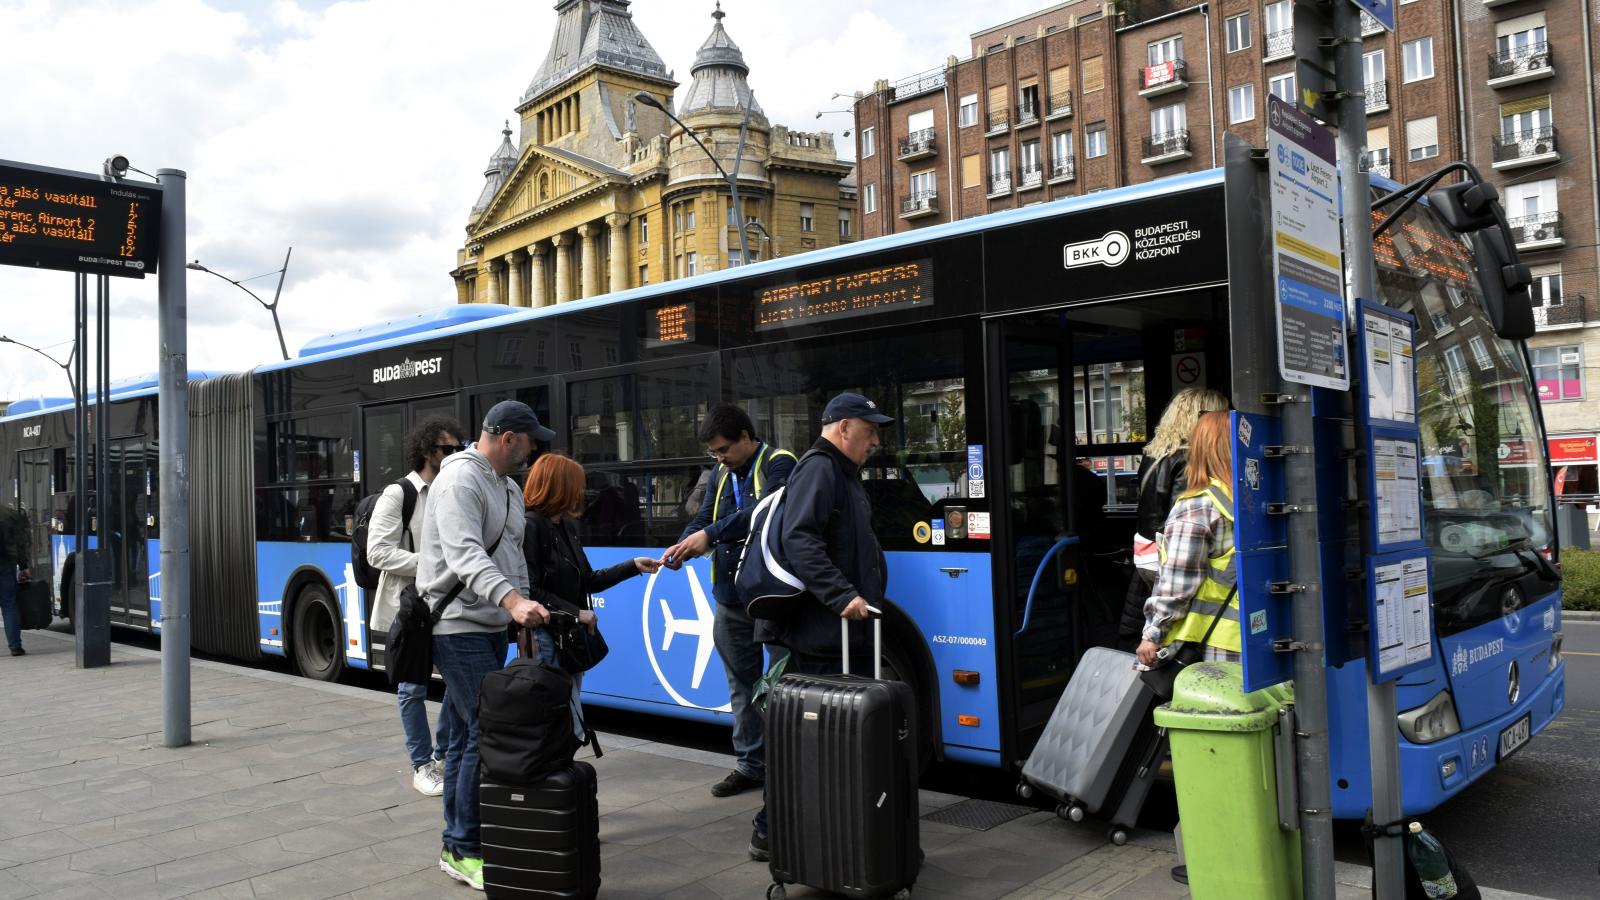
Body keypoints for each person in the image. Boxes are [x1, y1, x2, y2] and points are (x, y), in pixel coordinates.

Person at [747, 391, 895, 861]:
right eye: (869, 430)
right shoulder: (819, 468)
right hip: (818, 634)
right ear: (844, 427)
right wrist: (842, 596)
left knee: (828, 739)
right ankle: (774, 830)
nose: (875, 440)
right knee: (805, 738)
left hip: (838, 632)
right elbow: (800, 538)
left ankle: (833, 831)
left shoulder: (843, 473)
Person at [419, 400, 554, 890]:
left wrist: (519, 615)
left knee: (461, 736)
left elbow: (511, 555)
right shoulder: (460, 479)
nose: (533, 448)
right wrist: (512, 601)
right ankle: (466, 847)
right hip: (456, 626)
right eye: (529, 440)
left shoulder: (509, 487)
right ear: (506, 439)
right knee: (482, 731)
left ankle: (458, 843)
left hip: (491, 625)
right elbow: (464, 554)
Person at [660, 404, 797, 799]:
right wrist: (685, 543)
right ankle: (751, 766)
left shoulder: (779, 463)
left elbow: (765, 512)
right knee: (741, 685)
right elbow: (703, 518)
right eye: (713, 453)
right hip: (730, 597)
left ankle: (786, 766)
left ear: (746, 437)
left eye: (723, 450)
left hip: (773, 598)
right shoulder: (721, 472)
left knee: (781, 685)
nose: (718, 458)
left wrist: (711, 535)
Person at [522, 453, 660, 739]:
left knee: (569, 708)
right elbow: (529, 590)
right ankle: (557, 773)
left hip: (568, 638)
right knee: (556, 711)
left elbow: (588, 580)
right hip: (547, 637)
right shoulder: (531, 526)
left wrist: (632, 566)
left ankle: (565, 769)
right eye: (577, 484)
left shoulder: (564, 527)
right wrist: (576, 613)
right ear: (559, 486)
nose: (582, 492)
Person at [367, 416, 467, 797]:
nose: (457, 455)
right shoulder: (400, 494)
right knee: (412, 688)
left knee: (458, 684)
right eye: (448, 449)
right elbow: (378, 552)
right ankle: (422, 764)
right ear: (427, 451)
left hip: (446, 603)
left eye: (461, 448)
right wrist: (431, 563)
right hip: (410, 608)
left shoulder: (453, 489)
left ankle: (442, 755)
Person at [1119, 387, 1229, 652]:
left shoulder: (1154, 453)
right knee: (1180, 631)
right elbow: (1187, 521)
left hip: (1144, 552)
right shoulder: (1191, 459)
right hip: (1169, 556)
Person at [1137, 410, 1240, 668]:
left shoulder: (1198, 507)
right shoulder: (1252, 501)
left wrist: (1153, 634)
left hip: (1214, 645)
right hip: (1255, 635)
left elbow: (1178, 583)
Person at [0, 502, 31, 657]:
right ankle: (15, 647)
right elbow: (20, 543)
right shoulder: (9, 514)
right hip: (6, 563)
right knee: (9, 604)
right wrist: (24, 566)